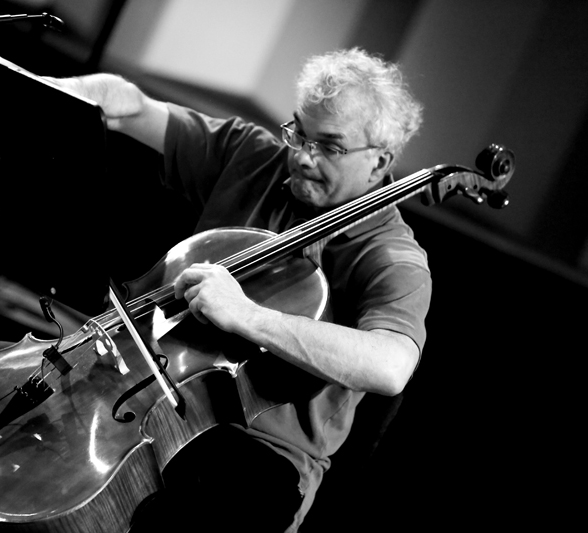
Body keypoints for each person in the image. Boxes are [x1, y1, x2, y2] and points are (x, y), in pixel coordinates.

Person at [43, 47, 430, 532]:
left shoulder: (392, 256)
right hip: (147, 396)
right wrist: (46, 90)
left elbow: (391, 366)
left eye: (329, 147)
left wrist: (247, 315)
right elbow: (131, 108)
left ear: (379, 163)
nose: (302, 157)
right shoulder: (254, 157)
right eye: (299, 133)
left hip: (258, 454)